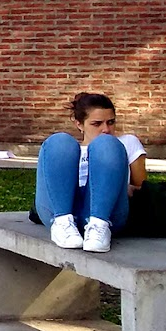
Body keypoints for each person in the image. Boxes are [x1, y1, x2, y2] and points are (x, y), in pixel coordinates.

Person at [35, 93, 146, 253]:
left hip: (106, 208)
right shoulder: (70, 149)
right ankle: (62, 223)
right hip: (61, 205)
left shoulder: (126, 143)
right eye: (97, 124)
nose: (106, 129)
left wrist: (125, 187)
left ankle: (99, 226)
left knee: (106, 144)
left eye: (111, 122)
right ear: (79, 124)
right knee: (59, 140)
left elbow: (143, 188)